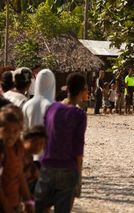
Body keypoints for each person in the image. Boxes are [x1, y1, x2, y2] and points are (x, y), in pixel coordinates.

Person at [35, 73, 88, 213]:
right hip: (67, 167)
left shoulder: (52, 108)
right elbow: (78, 149)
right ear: (83, 90)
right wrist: (78, 176)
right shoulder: (79, 115)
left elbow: (45, 137)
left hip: (46, 165)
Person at [0, 105, 34, 213]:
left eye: (15, 131)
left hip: (14, 203)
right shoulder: (1, 150)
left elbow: (20, 174)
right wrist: (6, 207)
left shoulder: (18, 145)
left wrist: (28, 201)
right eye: (7, 130)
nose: (11, 135)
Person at [22, 125, 47, 195]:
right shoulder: (21, 156)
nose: (38, 146)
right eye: (34, 143)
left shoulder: (30, 157)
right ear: (25, 140)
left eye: (41, 144)